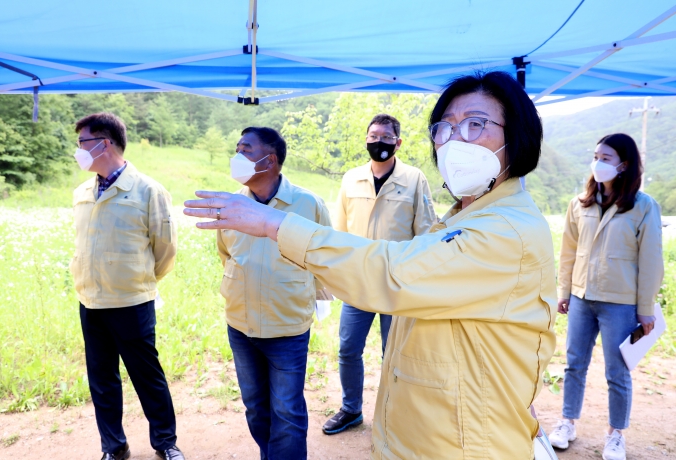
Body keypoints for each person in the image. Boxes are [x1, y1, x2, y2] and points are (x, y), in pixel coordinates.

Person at [184, 70, 557, 459]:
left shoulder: (506, 230)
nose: (454, 140)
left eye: (475, 124)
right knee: (345, 354)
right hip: (429, 431)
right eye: (444, 128)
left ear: (517, 135)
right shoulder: (460, 217)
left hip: (464, 446)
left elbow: (393, 273)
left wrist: (273, 224)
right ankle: (351, 407)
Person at [70, 113, 184, 460]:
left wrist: (140, 281)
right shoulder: (82, 192)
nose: (78, 150)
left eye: (83, 142)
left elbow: (165, 249)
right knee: (102, 380)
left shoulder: (148, 190)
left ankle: (165, 442)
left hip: (131, 302)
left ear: (104, 143)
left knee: (147, 376)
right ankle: (114, 447)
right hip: (90, 301)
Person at [217, 127, 331, 459]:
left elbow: (326, 257)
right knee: (255, 407)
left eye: (246, 149)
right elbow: (225, 253)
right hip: (241, 325)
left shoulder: (307, 204)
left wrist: (320, 299)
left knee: (287, 411)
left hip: (287, 329)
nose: (237, 156)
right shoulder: (232, 204)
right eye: (237, 148)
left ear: (270, 161)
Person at [548, 133, 664, 460]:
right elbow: (568, 253)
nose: (598, 163)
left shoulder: (643, 206)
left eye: (606, 158)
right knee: (574, 364)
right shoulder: (579, 203)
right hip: (582, 298)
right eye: (596, 156)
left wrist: (645, 309)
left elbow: (651, 262)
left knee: (617, 371)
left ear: (623, 165)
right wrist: (564, 292)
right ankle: (567, 423)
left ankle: (616, 435)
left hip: (621, 302)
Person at [323, 113, 436, 435]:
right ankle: (351, 409)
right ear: (366, 139)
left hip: (396, 282)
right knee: (348, 349)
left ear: (398, 143)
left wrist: (417, 276)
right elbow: (339, 230)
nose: (379, 142)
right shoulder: (351, 179)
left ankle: (394, 412)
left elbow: (426, 230)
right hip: (358, 280)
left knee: (394, 352)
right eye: (373, 136)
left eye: (386, 137)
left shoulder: (414, 179)